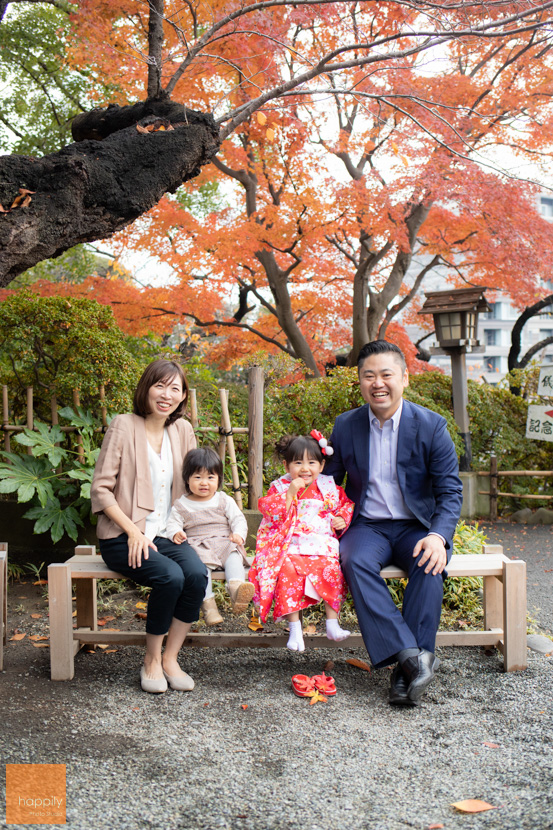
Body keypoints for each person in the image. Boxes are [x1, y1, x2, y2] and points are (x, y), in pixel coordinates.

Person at [324, 340, 463, 707]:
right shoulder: (347, 425)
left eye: (386, 374)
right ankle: (413, 658)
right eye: (369, 376)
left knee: (429, 562)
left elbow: (450, 491)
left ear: (404, 377)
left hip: (417, 526)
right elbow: (328, 482)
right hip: (367, 525)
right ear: (360, 382)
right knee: (352, 559)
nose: (378, 383)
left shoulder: (431, 426)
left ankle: (405, 673)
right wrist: (322, 503)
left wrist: (438, 536)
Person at [90, 359, 208, 695]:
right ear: (147, 388)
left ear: (183, 395)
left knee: (197, 575)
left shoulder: (182, 430)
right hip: (123, 536)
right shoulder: (124, 425)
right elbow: (100, 489)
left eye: (175, 389)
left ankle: (171, 658)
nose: (166, 395)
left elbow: (193, 485)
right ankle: (151, 660)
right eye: (160, 385)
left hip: (168, 533)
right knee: (170, 577)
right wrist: (133, 531)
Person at [249, 432, 354, 653]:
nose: (305, 468)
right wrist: (290, 493)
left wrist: (341, 518)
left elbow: (345, 504)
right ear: (287, 465)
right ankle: (295, 628)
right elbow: (269, 510)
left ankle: (332, 623)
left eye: (311, 462)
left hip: (321, 542)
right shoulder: (280, 486)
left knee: (332, 570)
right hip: (291, 542)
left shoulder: (329, 487)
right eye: (298, 462)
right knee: (286, 570)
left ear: (322, 465)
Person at [166, 447, 254, 625]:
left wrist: (238, 534)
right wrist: (176, 532)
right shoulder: (181, 504)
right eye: (197, 477)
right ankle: (209, 607)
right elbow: (172, 523)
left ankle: (237, 588)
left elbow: (238, 519)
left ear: (219, 479)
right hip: (199, 545)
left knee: (234, 555)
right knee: (201, 569)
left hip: (224, 541)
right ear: (187, 479)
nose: (204, 483)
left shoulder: (223, 499)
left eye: (210, 477)